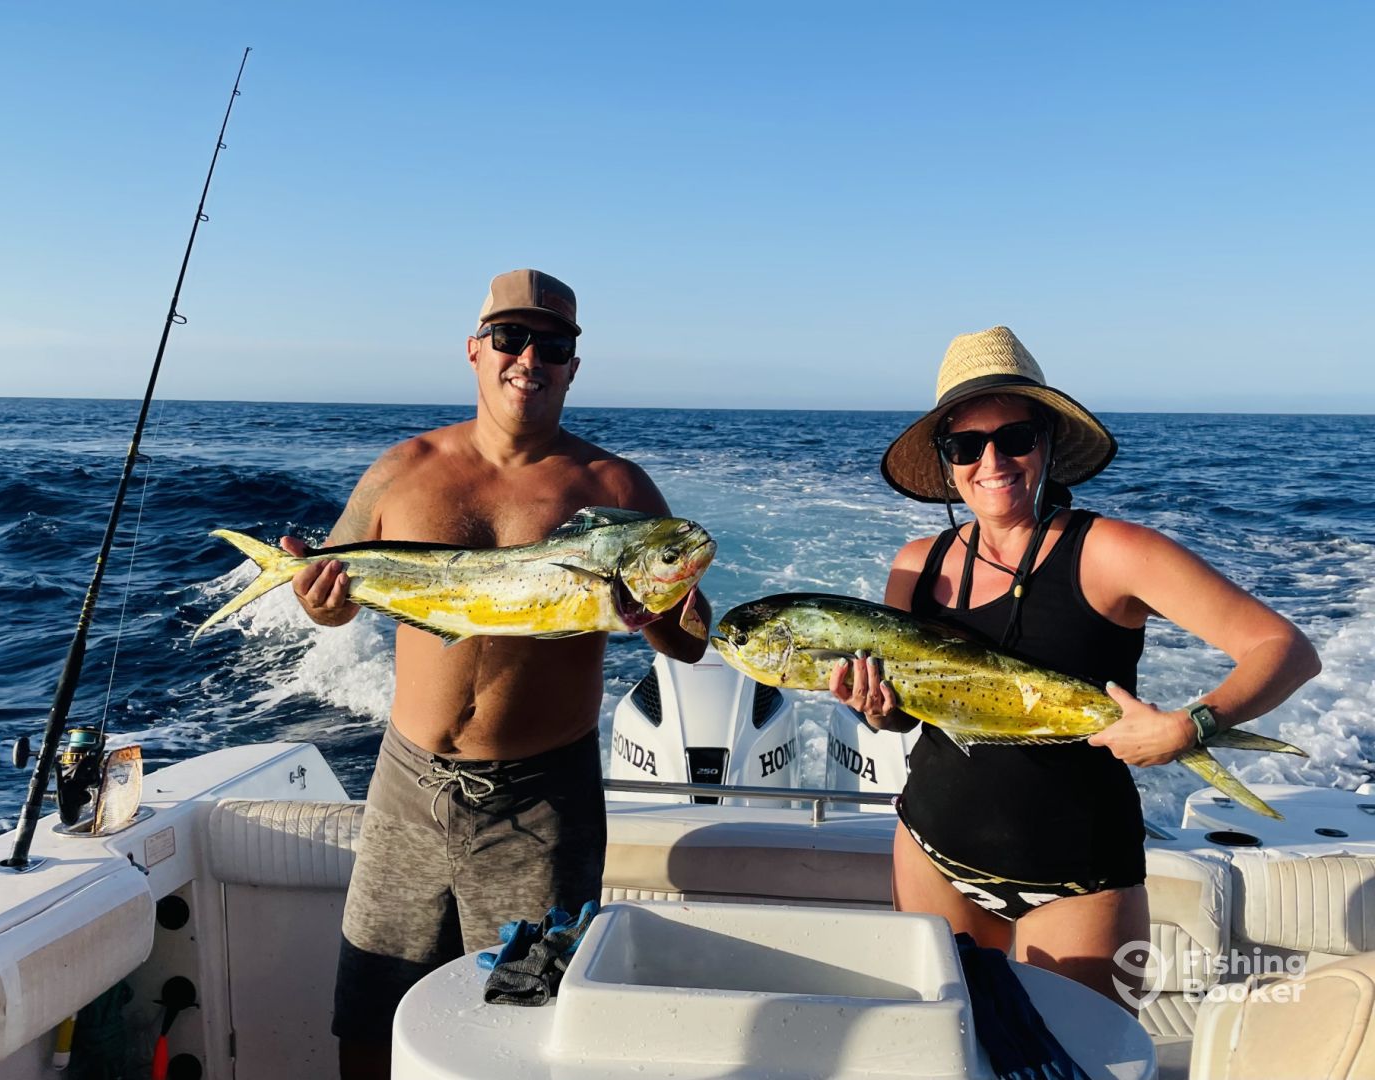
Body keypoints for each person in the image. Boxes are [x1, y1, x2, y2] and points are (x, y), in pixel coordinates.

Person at [281, 269, 711, 1078]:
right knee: (369, 1020)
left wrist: (656, 612)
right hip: (406, 790)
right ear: (475, 350)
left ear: (574, 365)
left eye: (553, 345)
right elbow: (332, 594)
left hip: (544, 802)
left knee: (530, 1034)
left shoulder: (615, 489)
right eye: (511, 338)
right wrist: (321, 602)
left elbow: (689, 642)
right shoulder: (402, 469)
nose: (530, 359)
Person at [830, 326, 1320, 1008]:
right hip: (931, 849)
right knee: (944, 1043)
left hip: (1077, 878)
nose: (991, 461)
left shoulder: (1114, 552)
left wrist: (1192, 726)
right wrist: (877, 711)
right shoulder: (917, 564)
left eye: (1015, 438)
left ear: (1049, 443)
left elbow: (1284, 648)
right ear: (947, 461)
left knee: (1083, 1055)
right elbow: (903, 717)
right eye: (966, 446)